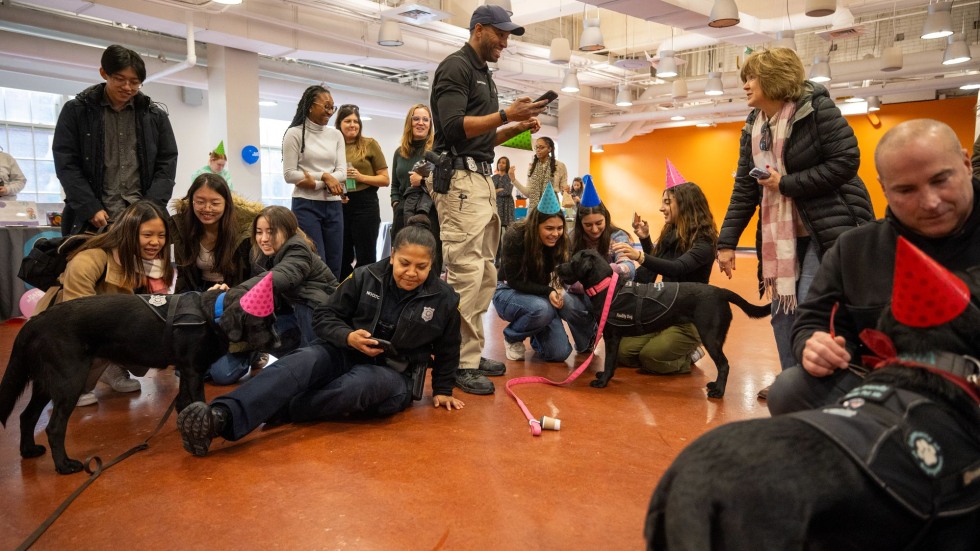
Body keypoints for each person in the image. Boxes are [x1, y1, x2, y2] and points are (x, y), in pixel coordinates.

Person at [176, 216, 465, 457]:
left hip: (394, 373)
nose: (411, 272)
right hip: (344, 349)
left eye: (421, 267)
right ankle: (219, 417)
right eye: (404, 263)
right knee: (300, 362)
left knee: (357, 387)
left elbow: (449, 348)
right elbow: (325, 316)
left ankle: (278, 406)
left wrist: (443, 389)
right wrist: (349, 336)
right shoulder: (365, 276)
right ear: (392, 256)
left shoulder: (445, 299)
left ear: (432, 264)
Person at [767, 119, 980, 415]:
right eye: (906, 190)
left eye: (941, 180)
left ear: (967, 164)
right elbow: (813, 320)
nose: (930, 202)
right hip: (885, 387)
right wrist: (814, 346)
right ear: (883, 188)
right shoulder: (854, 249)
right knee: (792, 389)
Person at [714, 47, 874, 397]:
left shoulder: (816, 109)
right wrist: (726, 242)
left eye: (751, 77)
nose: (745, 85)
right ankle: (795, 384)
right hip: (783, 236)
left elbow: (846, 161)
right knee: (782, 313)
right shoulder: (753, 126)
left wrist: (785, 184)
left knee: (809, 308)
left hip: (830, 228)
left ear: (774, 78)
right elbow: (744, 188)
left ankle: (821, 386)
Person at [429, 4, 547, 395]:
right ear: (479, 30)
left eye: (508, 35)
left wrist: (513, 124)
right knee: (464, 275)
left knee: (484, 276)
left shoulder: (483, 74)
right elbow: (450, 127)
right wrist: (503, 114)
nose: (505, 42)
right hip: (460, 181)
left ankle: (470, 352)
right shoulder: (456, 67)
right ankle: (457, 364)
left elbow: (479, 139)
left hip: (478, 179)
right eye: (500, 34)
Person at [35, 200, 174, 406]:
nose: (155, 242)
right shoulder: (88, 260)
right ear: (129, 232)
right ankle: (63, 387)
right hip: (61, 335)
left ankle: (111, 368)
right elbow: (75, 323)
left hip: (106, 325)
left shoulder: (142, 262)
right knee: (103, 337)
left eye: (161, 236)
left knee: (152, 347)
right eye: (147, 235)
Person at [52, 44, 178, 236]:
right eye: (120, 79)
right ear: (104, 73)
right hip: (93, 218)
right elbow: (66, 164)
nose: (127, 87)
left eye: (135, 82)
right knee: (82, 266)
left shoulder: (155, 117)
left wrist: (149, 209)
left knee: (147, 267)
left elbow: (166, 166)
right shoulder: (76, 111)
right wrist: (89, 206)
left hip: (142, 221)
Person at [209, 205, 339, 385]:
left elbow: (277, 278)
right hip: (284, 318)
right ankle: (255, 351)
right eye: (259, 232)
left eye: (271, 232)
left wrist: (231, 296)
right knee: (221, 373)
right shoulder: (259, 255)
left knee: (312, 370)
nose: (263, 239)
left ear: (288, 231)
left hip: (316, 319)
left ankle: (313, 365)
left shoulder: (298, 249)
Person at [610, 182, 717, 374]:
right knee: (622, 353)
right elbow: (659, 263)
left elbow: (678, 267)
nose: (661, 208)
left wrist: (639, 256)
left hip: (688, 318)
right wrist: (645, 239)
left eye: (667, 202)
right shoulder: (671, 233)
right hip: (664, 310)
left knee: (650, 358)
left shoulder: (704, 241)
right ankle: (665, 345)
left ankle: (689, 355)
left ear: (685, 204)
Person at [493, 182, 593, 362]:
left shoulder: (561, 242)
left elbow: (564, 275)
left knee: (559, 353)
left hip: (540, 294)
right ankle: (512, 335)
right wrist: (548, 292)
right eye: (549, 228)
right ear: (535, 225)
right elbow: (515, 281)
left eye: (559, 228)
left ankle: (538, 330)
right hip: (509, 290)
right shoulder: (515, 235)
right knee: (542, 309)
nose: (555, 233)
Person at [282, 84, 346, 276]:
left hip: (333, 205)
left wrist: (319, 181)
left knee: (335, 262)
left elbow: (342, 171)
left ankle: (332, 304)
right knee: (316, 261)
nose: (330, 111)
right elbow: (289, 174)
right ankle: (316, 304)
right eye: (326, 106)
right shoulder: (294, 134)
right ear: (310, 105)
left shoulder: (336, 135)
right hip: (306, 205)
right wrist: (324, 178)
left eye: (332, 107)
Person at [171, 173, 255, 294]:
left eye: (215, 203)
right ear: (192, 202)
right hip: (196, 293)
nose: (207, 208)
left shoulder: (245, 231)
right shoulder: (178, 227)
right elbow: (177, 272)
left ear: (226, 204)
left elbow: (252, 275)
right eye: (200, 202)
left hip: (235, 293)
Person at [336, 104, 389, 280]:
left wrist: (361, 177)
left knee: (366, 255)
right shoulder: (333, 145)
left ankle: (364, 290)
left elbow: (385, 179)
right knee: (341, 254)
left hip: (366, 204)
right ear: (339, 123)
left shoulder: (369, 144)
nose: (352, 125)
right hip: (340, 202)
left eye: (355, 121)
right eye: (347, 121)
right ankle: (343, 290)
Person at [390, 104, 441, 274]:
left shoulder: (437, 151)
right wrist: (396, 203)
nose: (421, 123)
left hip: (430, 211)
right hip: (403, 211)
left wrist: (424, 180)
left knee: (428, 259)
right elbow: (395, 184)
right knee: (402, 256)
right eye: (416, 119)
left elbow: (446, 181)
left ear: (430, 124)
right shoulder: (400, 152)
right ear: (409, 123)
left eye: (425, 119)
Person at [570, 180, 638, 281]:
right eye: (588, 225)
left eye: (599, 223)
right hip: (581, 291)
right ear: (580, 224)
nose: (594, 229)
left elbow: (629, 267)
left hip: (612, 290)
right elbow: (566, 272)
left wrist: (615, 269)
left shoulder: (617, 237)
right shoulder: (572, 238)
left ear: (606, 218)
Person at [511, 136, 568, 213]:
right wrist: (513, 180)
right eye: (536, 147)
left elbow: (563, 190)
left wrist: (566, 190)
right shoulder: (532, 167)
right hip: (534, 210)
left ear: (549, 149)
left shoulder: (560, 166)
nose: (538, 150)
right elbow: (528, 193)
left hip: (552, 208)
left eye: (541, 147)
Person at [493, 156, 516, 265]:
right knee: (496, 234)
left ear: (507, 165)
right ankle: (497, 258)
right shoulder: (494, 177)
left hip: (508, 207)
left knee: (509, 234)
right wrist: (497, 190)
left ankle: (508, 258)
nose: (501, 164)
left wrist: (497, 190)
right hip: (497, 207)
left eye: (503, 163)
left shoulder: (509, 177)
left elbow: (507, 191)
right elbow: (491, 192)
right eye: (499, 162)